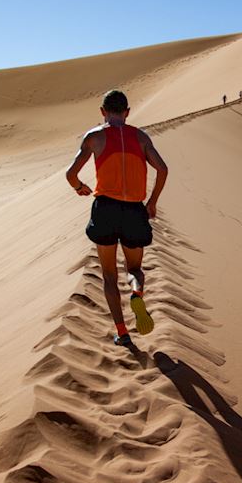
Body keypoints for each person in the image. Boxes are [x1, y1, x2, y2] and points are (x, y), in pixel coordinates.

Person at [65, 89, 169, 346]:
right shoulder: (141, 137)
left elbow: (71, 174)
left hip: (105, 209)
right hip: (134, 210)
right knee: (134, 269)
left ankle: (123, 333)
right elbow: (163, 169)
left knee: (109, 275)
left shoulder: (95, 137)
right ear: (127, 112)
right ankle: (136, 291)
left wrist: (80, 187)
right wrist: (152, 202)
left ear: (103, 112)